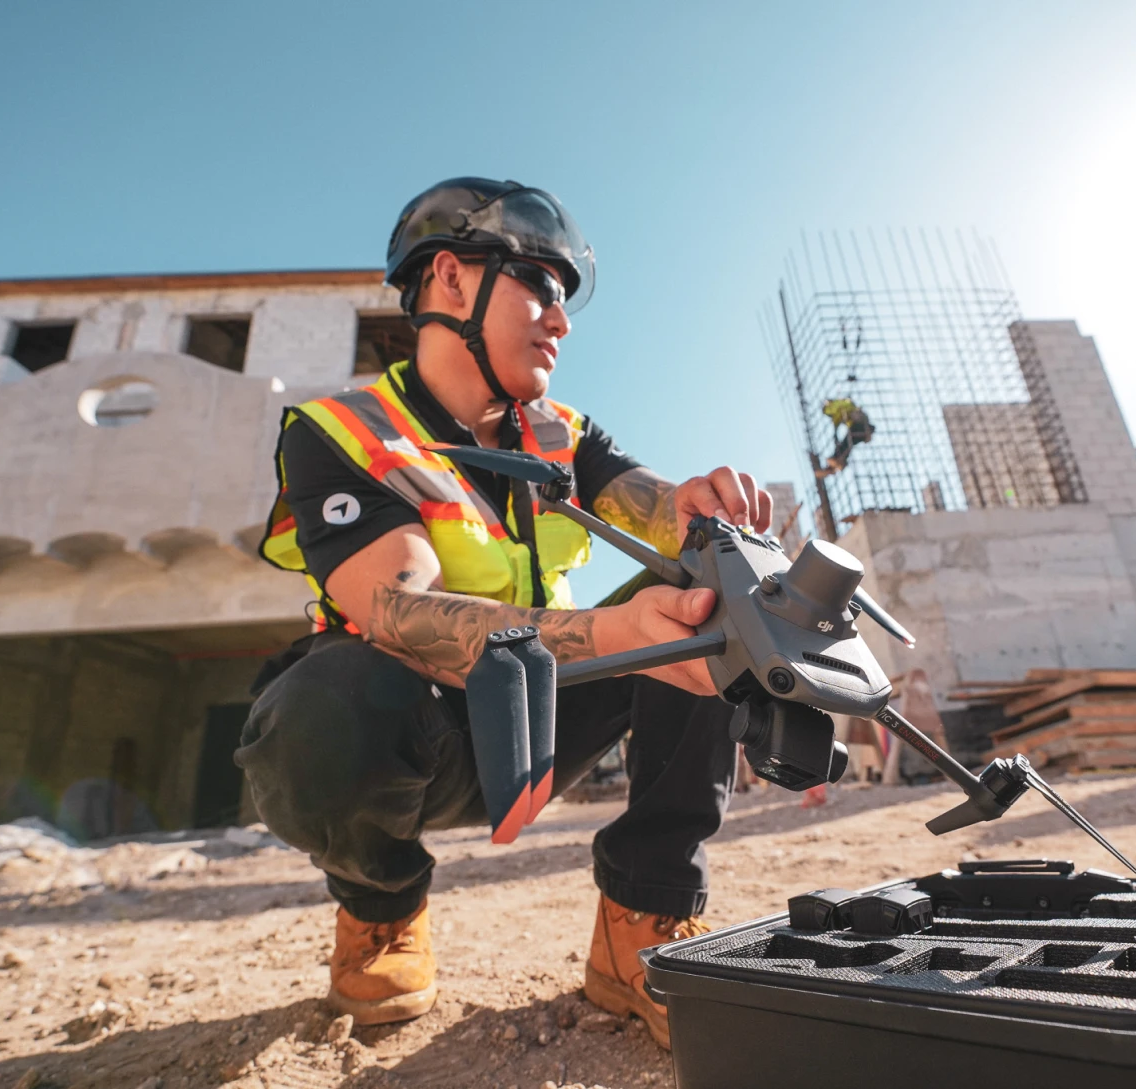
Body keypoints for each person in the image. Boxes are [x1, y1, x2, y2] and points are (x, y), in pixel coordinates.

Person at [237, 178, 772, 1048]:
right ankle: (381, 909)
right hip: (422, 735)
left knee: (712, 583)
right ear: (451, 280)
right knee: (316, 704)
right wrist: (613, 635)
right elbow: (397, 610)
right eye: (542, 285)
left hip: (555, 713)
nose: (561, 319)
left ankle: (641, 919)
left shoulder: (561, 431)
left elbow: (656, 505)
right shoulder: (341, 433)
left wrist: (703, 506)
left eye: (566, 297)